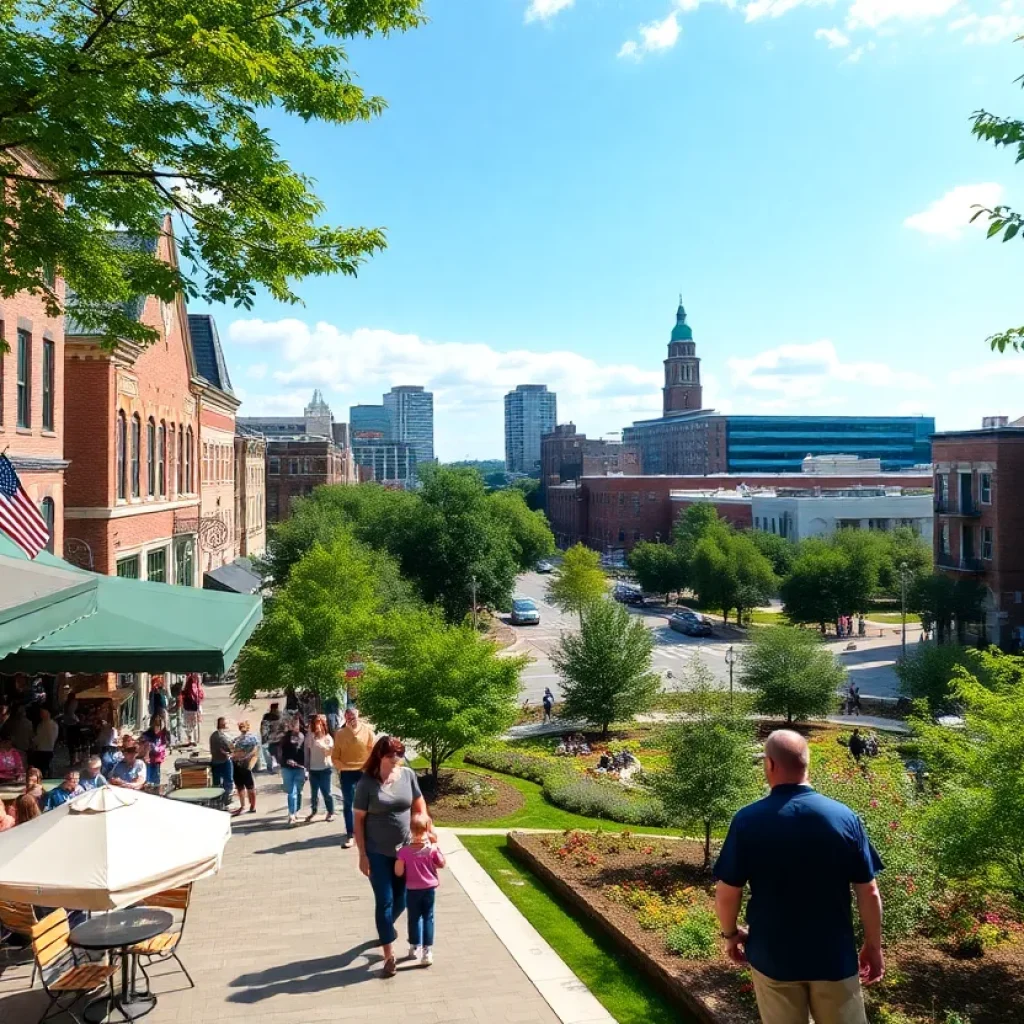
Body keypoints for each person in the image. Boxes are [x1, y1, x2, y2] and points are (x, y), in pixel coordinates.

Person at [713, 730, 884, 1024]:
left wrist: (730, 934)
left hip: (773, 958)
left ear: (770, 764)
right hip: (833, 958)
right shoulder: (844, 818)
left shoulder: (747, 821)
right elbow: (869, 892)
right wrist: (873, 946)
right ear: (807, 763)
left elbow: (728, 892)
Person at [353, 735, 430, 979]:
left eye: (399, 754)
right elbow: (358, 821)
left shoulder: (407, 775)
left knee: (402, 899)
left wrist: (425, 828)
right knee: (384, 901)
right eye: (391, 755)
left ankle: (385, 927)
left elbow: (419, 803)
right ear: (379, 755)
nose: (396, 759)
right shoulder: (367, 783)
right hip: (377, 852)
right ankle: (389, 955)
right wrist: (362, 854)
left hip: (406, 852)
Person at [395, 812, 446, 966]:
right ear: (428, 829)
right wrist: (436, 846)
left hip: (412, 890)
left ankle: (413, 946)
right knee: (428, 917)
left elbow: (398, 872)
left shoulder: (403, 851)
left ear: (410, 829)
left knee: (414, 917)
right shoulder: (431, 850)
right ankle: (427, 951)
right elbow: (442, 863)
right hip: (429, 888)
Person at [332, 706, 375, 848]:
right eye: (349, 717)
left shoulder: (367, 730)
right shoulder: (340, 734)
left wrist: (370, 767)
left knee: (368, 803)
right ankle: (350, 834)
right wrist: (342, 767)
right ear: (345, 718)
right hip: (347, 772)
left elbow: (373, 751)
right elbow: (335, 756)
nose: (352, 719)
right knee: (348, 803)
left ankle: (367, 832)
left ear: (358, 716)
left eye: (354, 716)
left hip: (364, 771)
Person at [304, 714, 335, 823]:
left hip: (325, 769)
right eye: (316, 724)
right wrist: (306, 767)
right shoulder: (310, 737)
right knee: (314, 794)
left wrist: (323, 746)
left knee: (327, 793)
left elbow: (329, 753)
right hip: (313, 769)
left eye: (320, 724)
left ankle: (330, 812)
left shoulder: (328, 738)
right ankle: (314, 812)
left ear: (323, 725)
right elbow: (307, 752)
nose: (318, 726)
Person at [279, 717, 306, 825]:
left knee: (299, 791)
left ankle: (296, 810)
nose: (295, 726)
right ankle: (292, 814)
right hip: (287, 768)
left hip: (300, 768)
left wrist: (306, 767)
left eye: (297, 724)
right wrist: (286, 760)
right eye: (293, 724)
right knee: (291, 792)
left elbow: (307, 753)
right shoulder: (285, 737)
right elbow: (280, 753)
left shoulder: (304, 736)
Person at [231, 721, 260, 815]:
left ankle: (253, 806)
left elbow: (255, 750)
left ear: (248, 727)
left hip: (246, 764)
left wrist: (246, 758)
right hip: (236, 764)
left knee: (250, 786)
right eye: (240, 726)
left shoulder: (252, 738)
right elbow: (231, 748)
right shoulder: (237, 739)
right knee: (240, 786)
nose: (242, 727)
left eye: (243, 726)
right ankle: (243, 806)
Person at [140, 714, 171, 789]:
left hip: (157, 759)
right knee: (148, 777)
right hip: (149, 759)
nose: (157, 729)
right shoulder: (147, 734)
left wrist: (159, 748)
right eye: (156, 726)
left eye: (159, 726)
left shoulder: (164, 734)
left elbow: (165, 744)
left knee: (156, 777)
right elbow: (142, 743)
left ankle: (156, 788)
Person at [209, 717, 235, 803]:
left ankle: (217, 799)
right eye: (226, 723)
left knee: (216, 782)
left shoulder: (214, 735)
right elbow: (229, 748)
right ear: (223, 725)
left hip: (215, 761)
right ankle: (226, 799)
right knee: (228, 781)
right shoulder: (222, 736)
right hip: (224, 761)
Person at [29, 708, 58, 774]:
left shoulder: (52, 725)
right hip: (42, 750)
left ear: (49, 713)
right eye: (41, 713)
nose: (41, 715)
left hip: (45, 750)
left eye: (43, 713)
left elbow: (38, 738)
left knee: (43, 770)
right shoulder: (41, 725)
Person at [260, 702, 284, 774]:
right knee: (271, 753)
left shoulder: (279, 716)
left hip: (276, 739)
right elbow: (264, 729)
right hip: (273, 739)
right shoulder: (268, 717)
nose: (276, 710)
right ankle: (272, 767)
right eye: (276, 708)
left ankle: (273, 767)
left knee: (273, 753)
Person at [181, 673, 204, 746]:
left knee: (188, 725)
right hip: (193, 708)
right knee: (194, 725)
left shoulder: (187, 687)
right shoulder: (196, 687)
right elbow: (201, 696)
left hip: (188, 709)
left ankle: (191, 740)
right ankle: (194, 740)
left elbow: (183, 695)